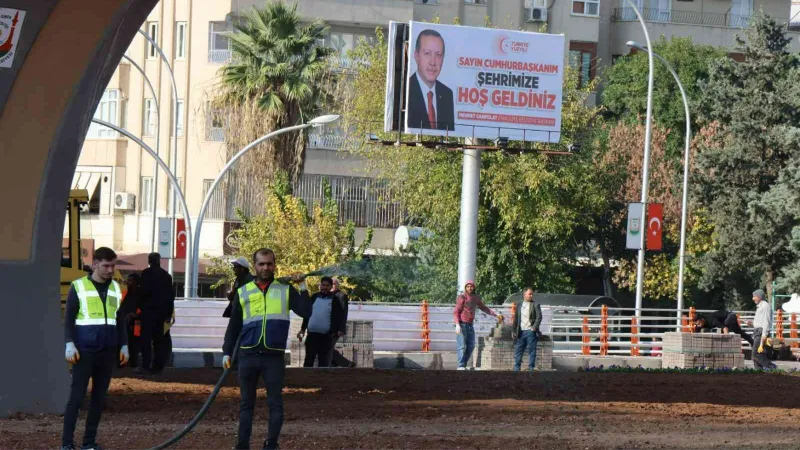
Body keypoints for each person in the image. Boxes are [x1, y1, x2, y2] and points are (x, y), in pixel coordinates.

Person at [222, 248, 312, 450]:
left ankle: (271, 444)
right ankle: (242, 444)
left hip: (273, 356)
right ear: (255, 266)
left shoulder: (285, 289)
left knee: (275, 403)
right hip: (247, 354)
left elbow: (306, 310)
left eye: (269, 263)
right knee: (246, 404)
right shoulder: (243, 291)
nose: (265, 267)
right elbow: (234, 325)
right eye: (261, 264)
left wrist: (303, 286)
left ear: (274, 265)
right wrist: (227, 352)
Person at [62, 247, 129, 450]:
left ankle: (88, 443)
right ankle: (67, 444)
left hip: (107, 351)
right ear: (95, 265)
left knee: (99, 399)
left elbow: (120, 321)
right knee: (76, 397)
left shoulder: (117, 289)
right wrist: (69, 343)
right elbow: (68, 319)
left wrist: (124, 345)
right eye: (106, 265)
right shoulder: (79, 286)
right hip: (84, 350)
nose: (110, 270)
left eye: (113, 265)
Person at [407, 29, 455, 131]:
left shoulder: (447, 94)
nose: (433, 62)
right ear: (416, 56)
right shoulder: (406, 89)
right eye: (427, 53)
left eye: (438, 55)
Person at [297, 276, 346, 368]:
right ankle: (305, 380)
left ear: (331, 287)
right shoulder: (314, 297)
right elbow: (307, 314)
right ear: (320, 286)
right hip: (311, 335)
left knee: (323, 362)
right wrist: (302, 329)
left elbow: (340, 317)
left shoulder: (335, 301)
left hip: (326, 337)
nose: (324, 287)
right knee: (308, 360)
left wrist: (338, 330)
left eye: (327, 285)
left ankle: (321, 381)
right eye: (323, 285)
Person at [139, 252, 174, 374]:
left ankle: (145, 365)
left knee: (146, 340)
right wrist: (169, 314)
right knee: (160, 341)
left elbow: (142, 293)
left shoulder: (145, 274)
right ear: (159, 261)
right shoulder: (166, 276)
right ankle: (158, 367)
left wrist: (140, 309)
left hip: (148, 312)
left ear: (149, 261)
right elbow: (170, 296)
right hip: (162, 313)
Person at [453, 280, 501, 370]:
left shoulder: (475, 298)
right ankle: (460, 365)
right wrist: (457, 324)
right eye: (468, 286)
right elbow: (456, 311)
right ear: (465, 288)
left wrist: (496, 314)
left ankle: (463, 364)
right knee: (462, 346)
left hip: (470, 325)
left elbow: (484, 308)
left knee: (471, 345)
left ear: (474, 287)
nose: (470, 288)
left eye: (471, 286)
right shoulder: (462, 297)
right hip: (462, 324)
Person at [512, 287, 542, 372]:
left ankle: (531, 369)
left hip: (530, 331)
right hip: (521, 331)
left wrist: (534, 328)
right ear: (524, 294)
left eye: (532, 294)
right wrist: (513, 330)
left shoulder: (535, 304)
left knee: (532, 351)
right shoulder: (519, 304)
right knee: (518, 350)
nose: (531, 295)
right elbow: (516, 318)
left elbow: (539, 317)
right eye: (530, 294)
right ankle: (516, 368)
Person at [748, 289, 777, 370]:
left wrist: (763, 338)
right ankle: (759, 372)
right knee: (756, 355)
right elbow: (760, 322)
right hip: (757, 332)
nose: (753, 298)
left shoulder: (765, 306)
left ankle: (772, 367)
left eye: (754, 296)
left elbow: (766, 322)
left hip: (761, 333)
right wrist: (752, 324)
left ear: (759, 297)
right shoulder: (760, 306)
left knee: (756, 354)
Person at [329, 277, 354, 367]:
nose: (331, 286)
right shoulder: (327, 295)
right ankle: (335, 364)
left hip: (336, 328)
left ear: (337, 285)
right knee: (328, 347)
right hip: (327, 327)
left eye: (333, 284)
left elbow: (344, 313)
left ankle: (346, 364)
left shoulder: (341, 296)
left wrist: (341, 328)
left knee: (328, 347)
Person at [120, 273, 143, 368]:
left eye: (130, 280)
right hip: (125, 322)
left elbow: (142, 308)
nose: (128, 282)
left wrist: (135, 314)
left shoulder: (141, 294)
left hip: (137, 323)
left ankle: (134, 364)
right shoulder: (126, 293)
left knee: (135, 344)